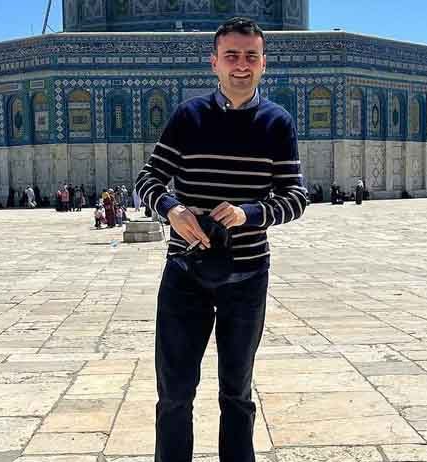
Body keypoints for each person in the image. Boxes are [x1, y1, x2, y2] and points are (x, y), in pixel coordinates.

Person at [135, 18, 307, 462]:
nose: (241, 65)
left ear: (264, 63)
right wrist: (171, 209)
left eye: (251, 56)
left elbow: (295, 197)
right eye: (231, 55)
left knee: (237, 393)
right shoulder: (188, 116)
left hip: (247, 276)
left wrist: (249, 214)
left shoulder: (277, 123)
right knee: (174, 393)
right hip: (185, 273)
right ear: (214, 62)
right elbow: (148, 180)